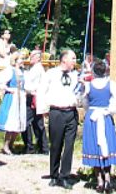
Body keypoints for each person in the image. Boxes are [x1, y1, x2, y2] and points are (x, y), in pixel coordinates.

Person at [37, 48, 79, 190]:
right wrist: (43, 110)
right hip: (56, 112)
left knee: (69, 146)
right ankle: (54, 174)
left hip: (71, 113)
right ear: (64, 60)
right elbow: (41, 91)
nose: (75, 61)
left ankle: (65, 176)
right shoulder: (51, 74)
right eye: (73, 59)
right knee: (55, 145)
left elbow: (80, 92)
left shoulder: (76, 75)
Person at [82, 58, 116, 192]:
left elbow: (84, 101)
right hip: (105, 116)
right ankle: (107, 178)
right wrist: (110, 110)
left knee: (95, 146)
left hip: (93, 117)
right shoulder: (110, 84)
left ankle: (99, 181)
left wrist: (89, 108)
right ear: (105, 71)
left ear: (93, 71)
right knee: (105, 145)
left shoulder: (88, 85)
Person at [0, 50, 26, 154]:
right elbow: (0, 82)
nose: (23, 60)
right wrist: (8, 89)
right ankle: (6, 145)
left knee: (18, 121)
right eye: (22, 58)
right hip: (12, 98)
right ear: (16, 60)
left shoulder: (22, 71)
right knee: (11, 122)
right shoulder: (10, 70)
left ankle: (11, 144)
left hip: (20, 97)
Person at [23, 48, 49, 155]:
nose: (30, 58)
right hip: (34, 96)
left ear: (37, 58)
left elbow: (30, 84)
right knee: (37, 123)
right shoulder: (35, 69)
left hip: (33, 97)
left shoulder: (37, 69)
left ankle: (30, 146)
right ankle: (42, 147)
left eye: (32, 56)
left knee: (27, 122)